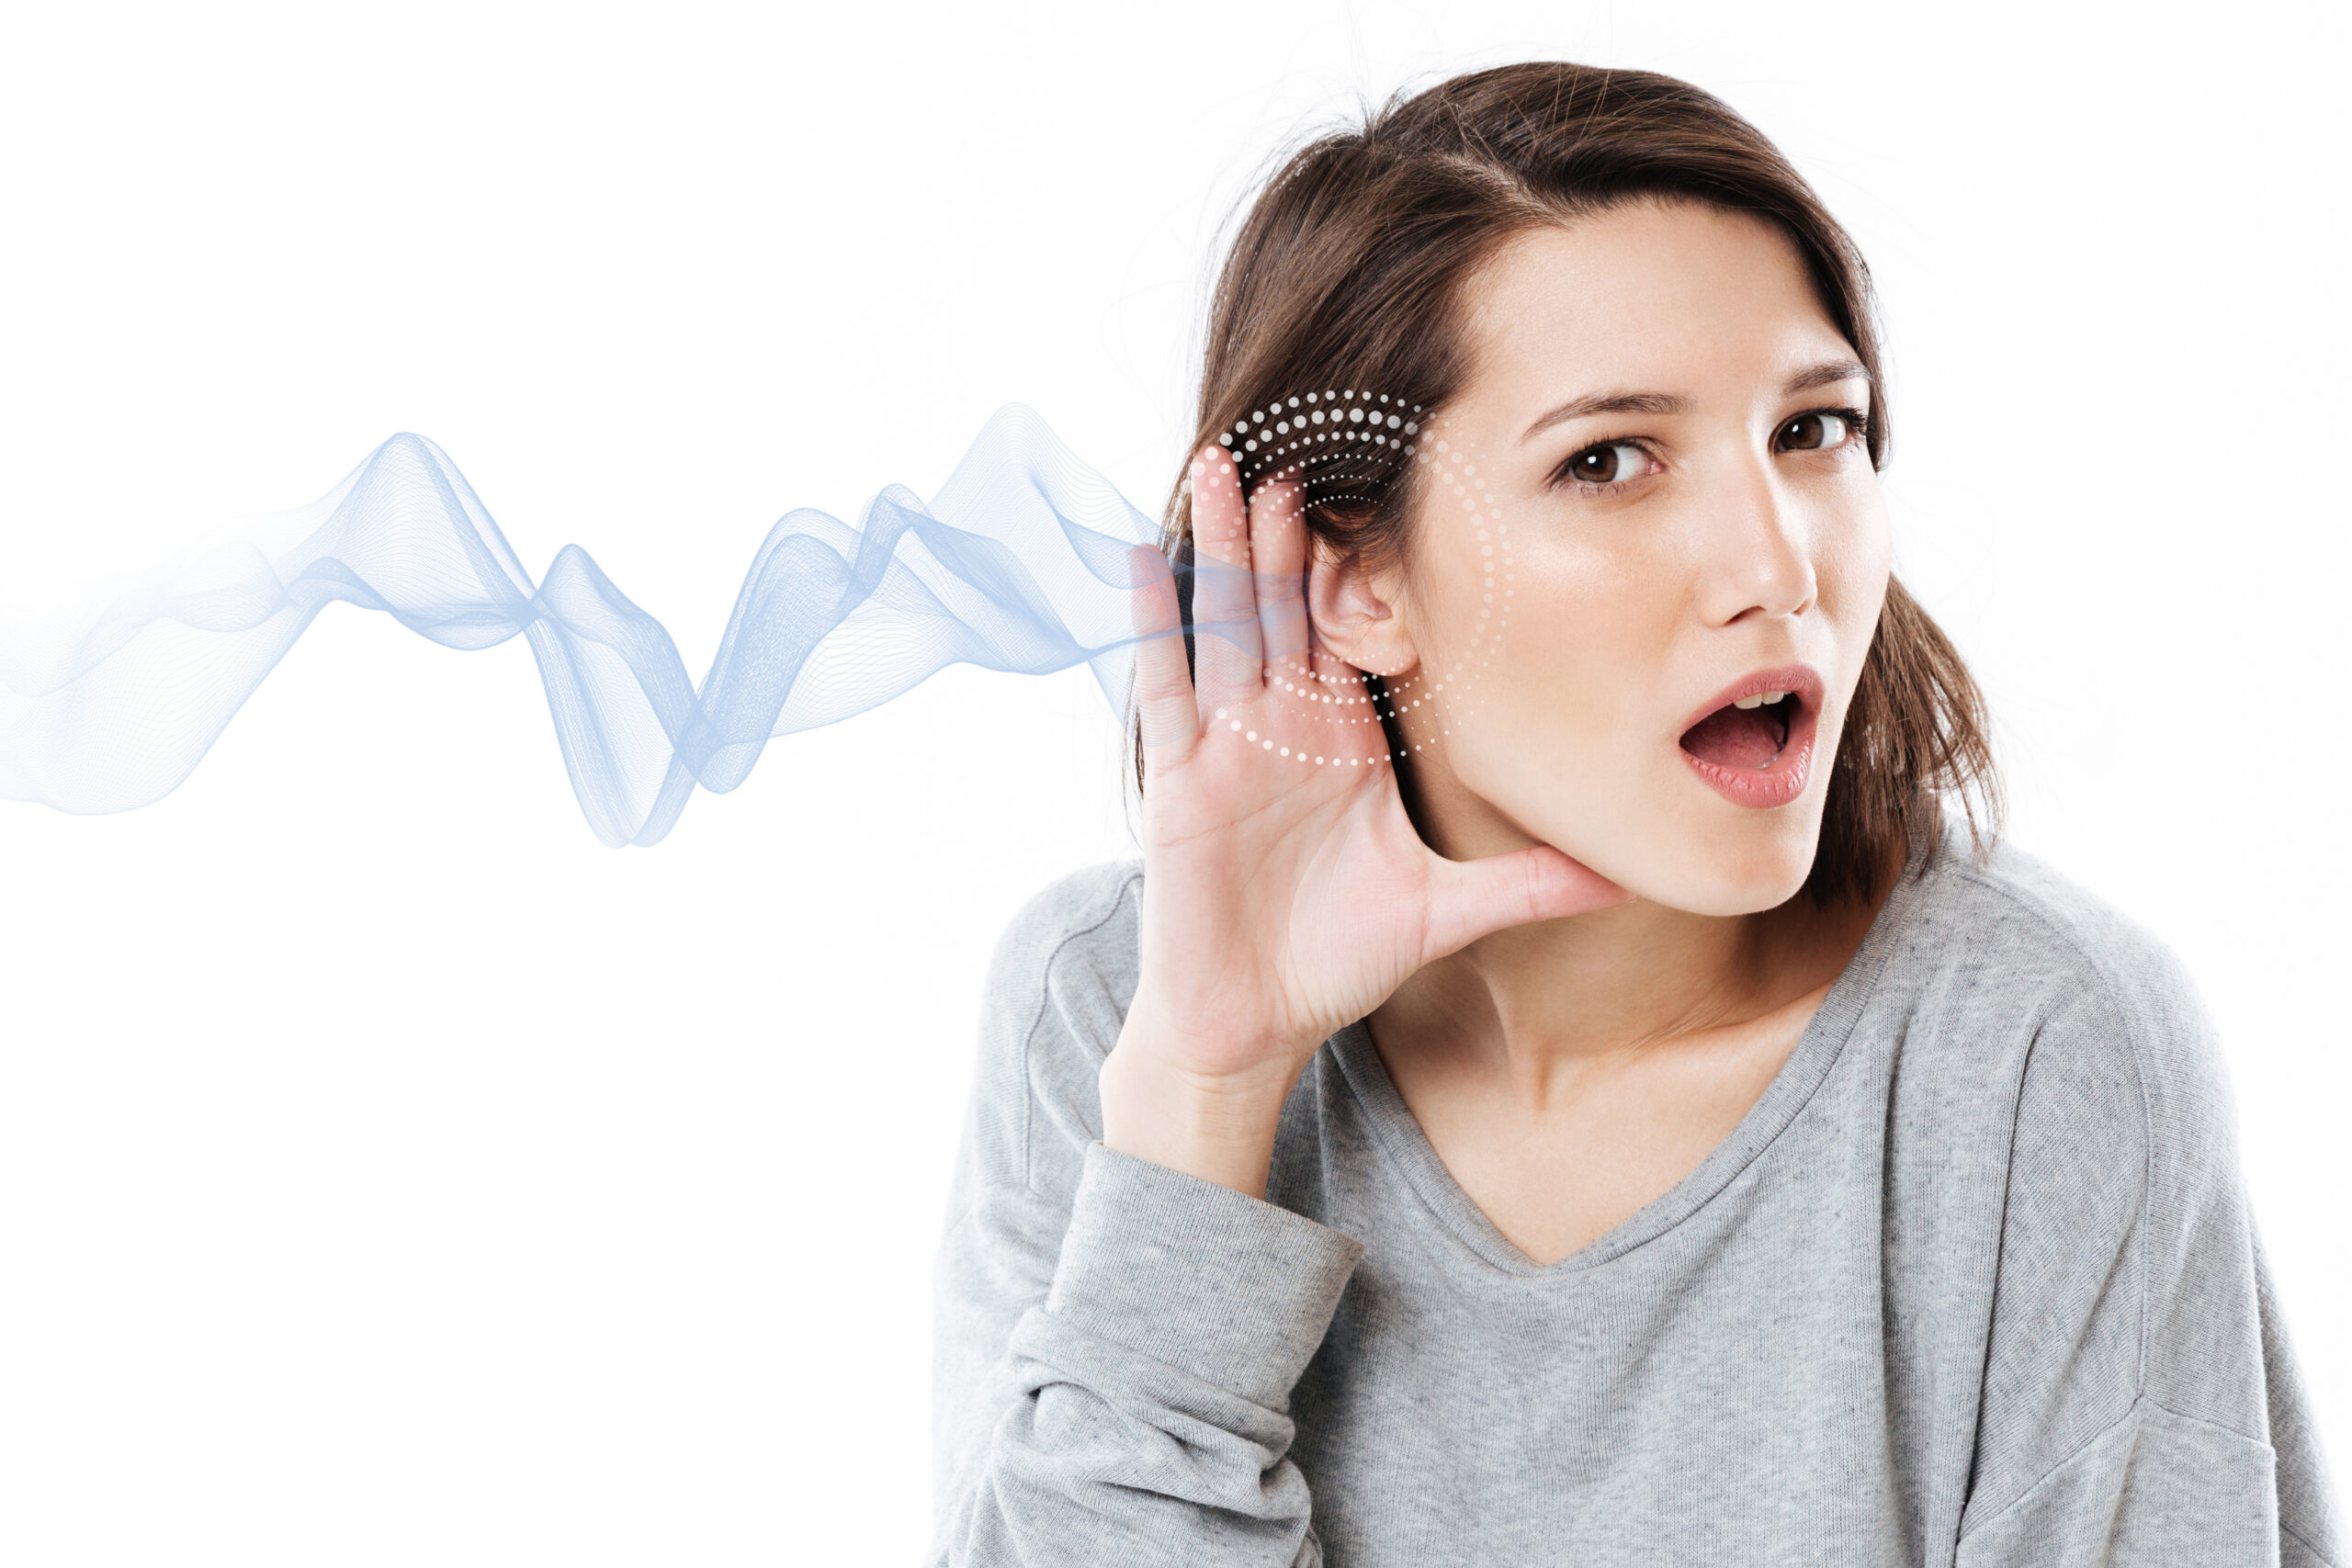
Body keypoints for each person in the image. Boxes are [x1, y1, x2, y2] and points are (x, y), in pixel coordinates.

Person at [926, 61, 2341, 1566]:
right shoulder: (1109, 1017)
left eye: (1815, 431)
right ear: (1360, 584)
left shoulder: (2035, 1053)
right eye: (1608, 461)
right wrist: (1208, 1093)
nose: (1778, 564)